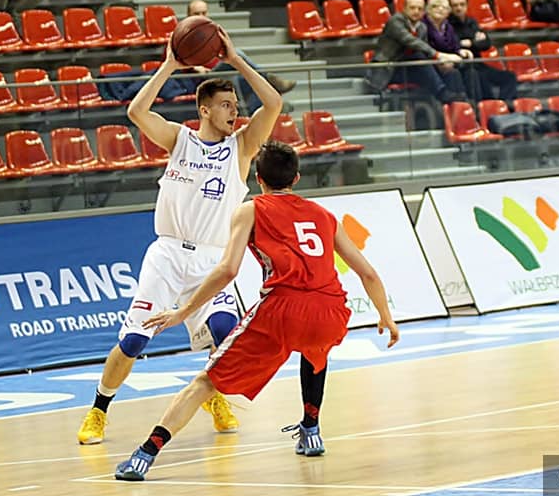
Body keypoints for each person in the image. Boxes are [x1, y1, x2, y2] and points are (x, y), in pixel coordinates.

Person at [113, 141, 398, 480]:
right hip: (331, 309)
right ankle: (311, 430)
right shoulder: (325, 216)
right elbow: (368, 274)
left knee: (206, 382)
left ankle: (145, 455)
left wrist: (184, 310)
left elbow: (227, 270)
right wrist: (385, 315)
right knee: (315, 351)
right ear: (297, 178)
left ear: (258, 179)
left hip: (283, 308)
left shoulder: (250, 209)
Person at [76, 27, 284, 446]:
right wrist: (171, 63)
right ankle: (98, 409)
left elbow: (274, 102)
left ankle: (211, 395)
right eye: (226, 105)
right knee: (134, 340)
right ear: (204, 110)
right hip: (168, 254)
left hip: (212, 258)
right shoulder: (180, 139)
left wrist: (235, 59)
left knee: (224, 330)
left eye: (235, 105)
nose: (235, 111)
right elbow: (136, 111)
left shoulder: (242, 148)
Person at [367, 0, 466, 102]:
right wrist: (439, 55)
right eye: (412, 8)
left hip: (409, 68)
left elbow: (425, 50)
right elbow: (411, 41)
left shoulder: (422, 27)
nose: (416, 11)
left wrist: (440, 64)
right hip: (389, 69)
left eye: (420, 9)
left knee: (450, 71)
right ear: (404, 8)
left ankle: (459, 101)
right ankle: (442, 94)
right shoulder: (395, 21)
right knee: (419, 57)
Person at [445, 0, 518, 102]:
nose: (459, 8)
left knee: (509, 77)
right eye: (455, 5)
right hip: (465, 67)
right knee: (481, 80)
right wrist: (474, 41)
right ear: (450, 7)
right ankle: (489, 106)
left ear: (467, 5)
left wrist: (470, 43)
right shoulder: (448, 25)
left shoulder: (472, 22)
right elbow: (454, 45)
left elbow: (486, 43)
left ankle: (504, 105)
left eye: (462, 4)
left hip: (480, 64)